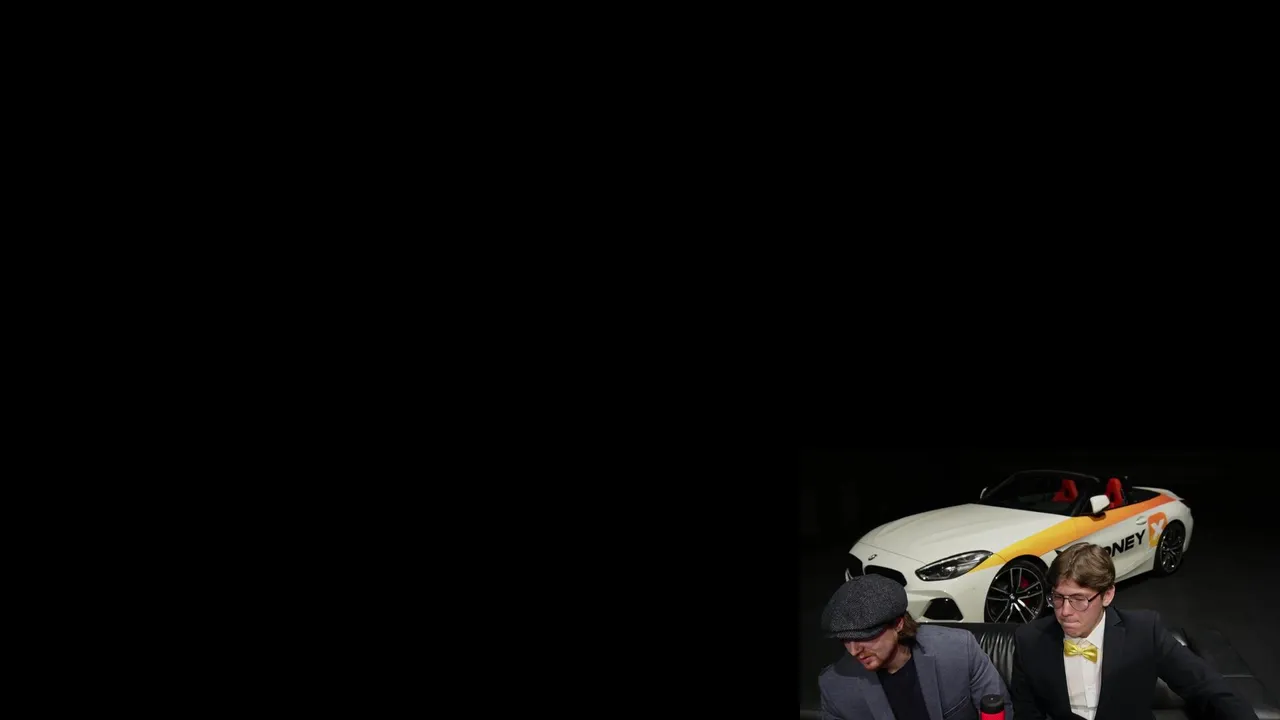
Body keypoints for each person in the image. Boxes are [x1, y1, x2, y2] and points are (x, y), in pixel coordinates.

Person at [1010, 542, 1254, 720]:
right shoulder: (1029, 640)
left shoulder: (1145, 631)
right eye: (1058, 597)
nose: (1064, 611)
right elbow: (1026, 714)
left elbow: (1206, 687)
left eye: (1079, 599)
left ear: (1107, 595)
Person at [819, 574, 1013, 720]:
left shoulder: (959, 649)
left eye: (865, 637)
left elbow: (1000, 709)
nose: (853, 651)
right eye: (845, 640)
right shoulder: (834, 687)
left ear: (898, 624)